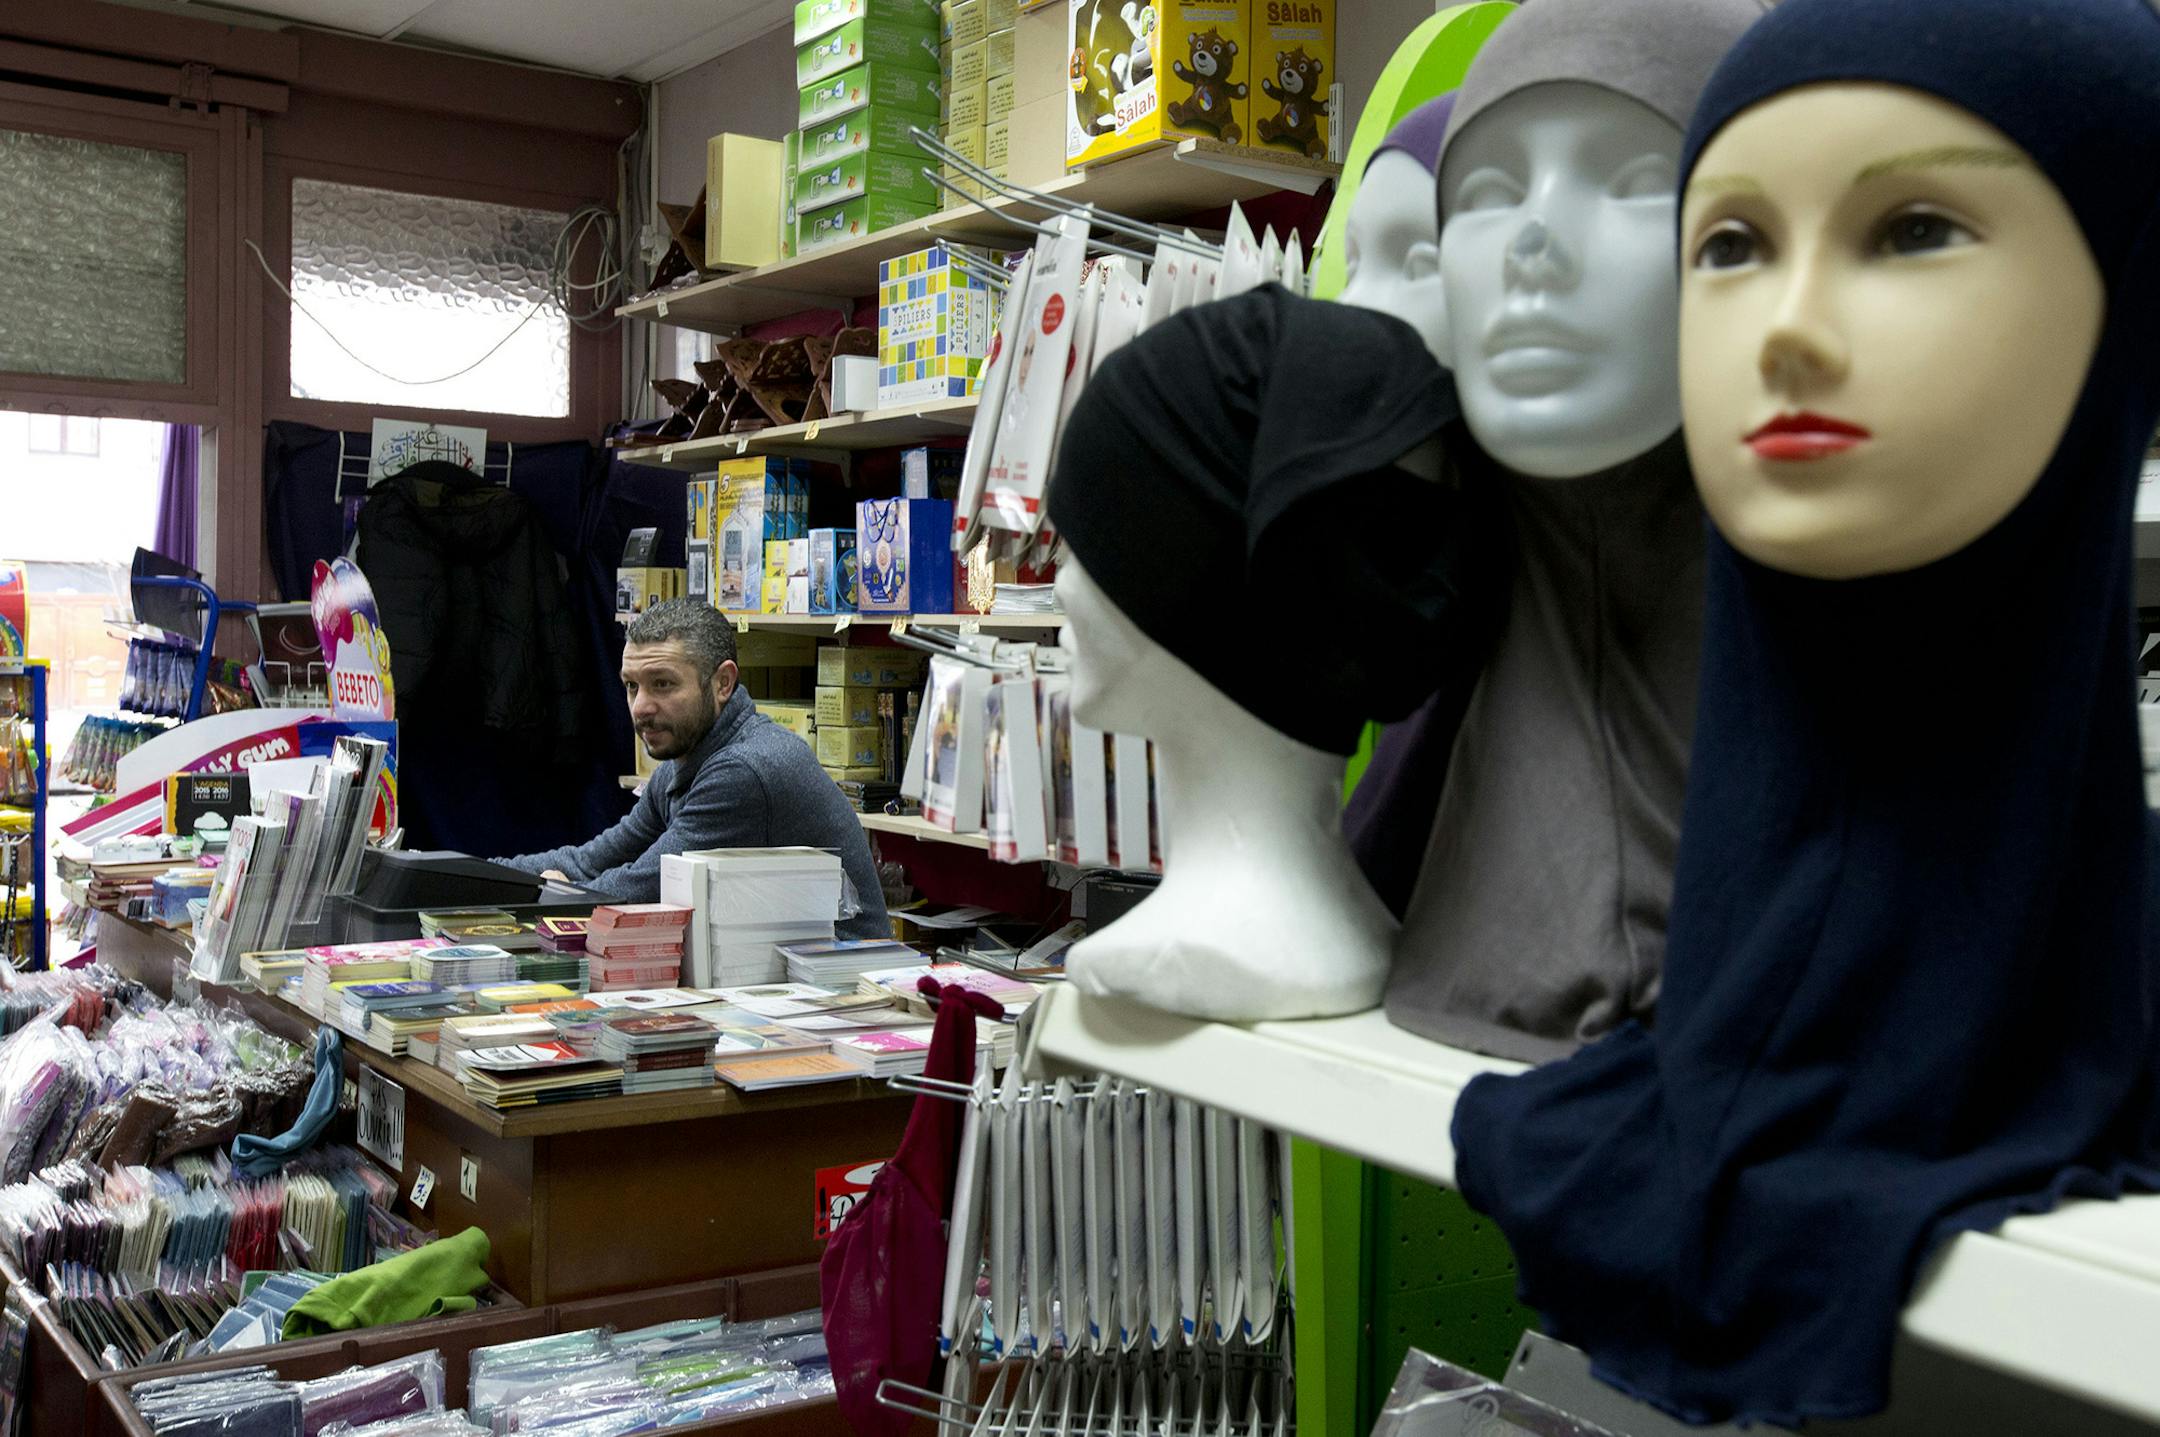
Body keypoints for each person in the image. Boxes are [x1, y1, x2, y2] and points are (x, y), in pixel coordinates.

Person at [499, 599, 890, 938]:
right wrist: (479, 876)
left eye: (663, 684)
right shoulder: (686, 756)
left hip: (843, 987)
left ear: (722, 683)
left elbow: (638, 889)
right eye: (632, 686)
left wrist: (556, 896)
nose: (640, 707)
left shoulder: (743, 771)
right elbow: (594, 860)